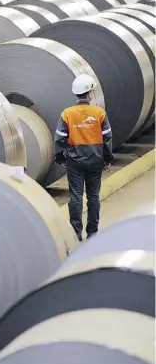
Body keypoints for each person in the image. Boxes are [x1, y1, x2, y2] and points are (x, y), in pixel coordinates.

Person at [54, 74, 114, 241]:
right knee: (93, 196)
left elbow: (59, 139)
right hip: (95, 161)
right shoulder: (99, 113)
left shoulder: (67, 114)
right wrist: (107, 158)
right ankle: (92, 232)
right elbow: (107, 138)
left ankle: (76, 232)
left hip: (74, 162)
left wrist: (61, 158)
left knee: (76, 196)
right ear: (89, 94)